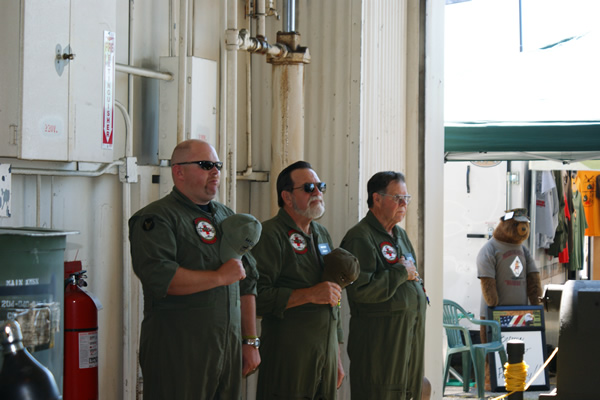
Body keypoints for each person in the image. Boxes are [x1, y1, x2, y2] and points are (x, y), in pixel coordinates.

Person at [128, 139, 260, 400]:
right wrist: (219, 277)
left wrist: (249, 341)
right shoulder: (157, 218)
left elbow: (248, 282)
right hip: (179, 353)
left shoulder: (225, 216)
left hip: (227, 351)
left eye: (218, 165)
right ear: (179, 171)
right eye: (206, 165)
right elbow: (161, 277)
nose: (215, 172)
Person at [252, 161, 345, 399]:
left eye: (320, 186)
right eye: (308, 188)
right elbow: (256, 297)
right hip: (289, 355)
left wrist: (335, 354)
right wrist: (309, 295)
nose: (317, 193)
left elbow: (333, 293)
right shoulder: (270, 235)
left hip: (325, 354)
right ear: (287, 196)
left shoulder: (321, 234)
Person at [340, 171, 427, 400]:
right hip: (381, 351)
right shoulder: (360, 237)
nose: (403, 204)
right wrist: (400, 273)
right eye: (397, 198)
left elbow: (413, 277)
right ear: (376, 199)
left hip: (408, 345)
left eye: (406, 198)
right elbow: (361, 291)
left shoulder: (400, 235)